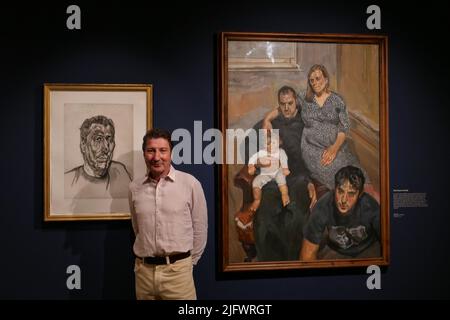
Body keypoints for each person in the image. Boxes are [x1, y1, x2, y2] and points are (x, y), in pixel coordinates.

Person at [237, 86, 316, 261]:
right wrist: (257, 162)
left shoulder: (306, 122)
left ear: (296, 102)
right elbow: (247, 143)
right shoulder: (270, 123)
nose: (287, 108)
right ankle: (272, 266)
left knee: (295, 218)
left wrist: (311, 181)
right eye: (283, 104)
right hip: (272, 179)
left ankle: (293, 266)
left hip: (298, 179)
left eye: (290, 103)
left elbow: (315, 156)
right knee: (265, 219)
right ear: (278, 105)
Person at [128, 128, 207, 300]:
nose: (157, 157)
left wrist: (187, 264)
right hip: (144, 275)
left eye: (162, 150)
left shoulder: (190, 184)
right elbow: (137, 228)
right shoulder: (134, 188)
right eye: (151, 151)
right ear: (144, 154)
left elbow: (200, 229)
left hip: (178, 275)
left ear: (171, 153)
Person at [300, 165, 380, 260]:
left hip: (369, 249)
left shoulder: (370, 206)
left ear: (360, 194)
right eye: (340, 191)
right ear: (335, 189)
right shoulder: (322, 206)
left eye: (351, 193)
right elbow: (307, 255)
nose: (344, 200)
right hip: (336, 252)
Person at [64, 115, 132, 198]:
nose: (106, 148)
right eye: (98, 139)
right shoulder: (68, 181)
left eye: (109, 139)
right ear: (83, 145)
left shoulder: (120, 172)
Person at [247, 133, 290, 212]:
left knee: (281, 179)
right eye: (268, 144)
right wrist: (251, 166)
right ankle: (257, 200)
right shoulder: (262, 152)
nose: (271, 146)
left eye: (273, 143)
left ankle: (284, 194)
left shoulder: (280, 151)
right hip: (266, 174)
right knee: (255, 183)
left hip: (277, 171)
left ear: (279, 143)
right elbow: (253, 158)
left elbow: (284, 159)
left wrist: (285, 168)